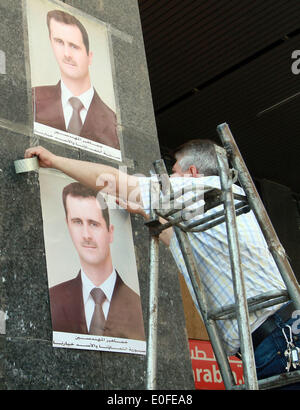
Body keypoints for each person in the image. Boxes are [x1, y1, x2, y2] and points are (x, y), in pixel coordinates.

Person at [24, 141, 300, 389]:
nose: (170, 179)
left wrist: (56, 160)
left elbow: (115, 182)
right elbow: (176, 242)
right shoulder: (222, 207)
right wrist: (145, 210)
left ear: (192, 173)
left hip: (278, 343)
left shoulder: (201, 188)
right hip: (278, 339)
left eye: (175, 172)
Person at [49, 181, 145, 341]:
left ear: (110, 232)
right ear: (68, 225)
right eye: (77, 222)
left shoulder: (138, 304)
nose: (86, 235)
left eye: (94, 224)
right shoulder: (54, 298)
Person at [33, 9, 120, 150]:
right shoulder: (33, 98)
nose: (67, 54)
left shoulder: (114, 122)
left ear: (89, 56)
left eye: (74, 46)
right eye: (59, 42)